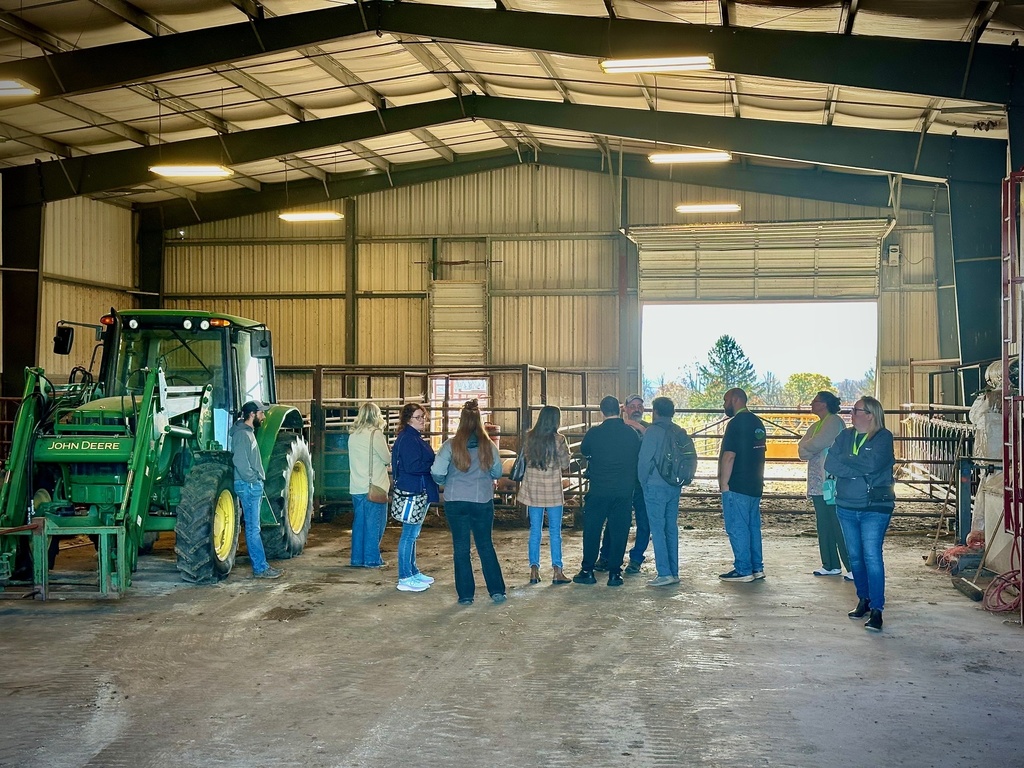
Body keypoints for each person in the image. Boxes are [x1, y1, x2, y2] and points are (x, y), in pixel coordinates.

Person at [824, 396, 896, 632]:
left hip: (874, 506)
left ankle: (877, 609)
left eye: (856, 410)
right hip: (846, 506)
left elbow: (872, 464)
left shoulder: (883, 438)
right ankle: (863, 599)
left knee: (872, 556)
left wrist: (848, 461)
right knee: (855, 557)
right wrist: (855, 464)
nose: (851, 414)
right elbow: (830, 464)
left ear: (870, 414)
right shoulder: (845, 436)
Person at [431, 400, 507, 605]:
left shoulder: (450, 445)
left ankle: (466, 595)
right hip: (481, 499)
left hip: (455, 499)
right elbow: (498, 472)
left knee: (461, 547)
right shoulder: (488, 445)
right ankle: (497, 591)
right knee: (485, 544)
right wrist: (487, 475)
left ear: (461, 421)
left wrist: (445, 481)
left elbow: (437, 471)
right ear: (479, 420)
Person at [573, 395, 642, 587]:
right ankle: (615, 573)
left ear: (601, 411)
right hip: (623, 490)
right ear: (620, 410)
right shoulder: (630, 434)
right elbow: (637, 455)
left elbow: (585, 451)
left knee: (593, 530)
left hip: (599, 489)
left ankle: (587, 570)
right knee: (619, 530)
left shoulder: (594, 433)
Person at [797, 391, 851, 579]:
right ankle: (830, 563)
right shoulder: (815, 425)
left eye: (815, 401)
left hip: (831, 482)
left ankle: (851, 566)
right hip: (817, 483)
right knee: (824, 523)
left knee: (837, 522)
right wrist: (809, 446)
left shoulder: (833, 421)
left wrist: (809, 446)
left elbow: (816, 444)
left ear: (824, 404)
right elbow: (802, 450)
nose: (812, 403)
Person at [516, 404, 572, 586]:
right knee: (555, 531)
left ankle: (534, 569)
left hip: (533, 490)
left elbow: (526, 458)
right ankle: (557, 570)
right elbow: (565, 464)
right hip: (553, 491)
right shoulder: (559, 439)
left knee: (535, 530)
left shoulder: (529, 437)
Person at [596, 393, 651, 575]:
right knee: (615, 521)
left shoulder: (648, 429)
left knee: (644, 522)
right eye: (633, 406)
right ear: (624, 409)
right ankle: (606, 556)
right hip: (623, 482)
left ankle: (636, 559)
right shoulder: (616, 428)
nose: (636, 409)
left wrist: (636, 425)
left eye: (639, 406)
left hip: (643, 482)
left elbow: (652, 444)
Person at [718, 388, 766, 583]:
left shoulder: (735, 424)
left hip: (737, 484)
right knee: (752, 527)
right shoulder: (758, 422)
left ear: (736, 399)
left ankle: (743, 569)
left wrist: (724, 484)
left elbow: (729, 455)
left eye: (725, 399)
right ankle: (757, 567)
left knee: (737, 527)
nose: (724, 404)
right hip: (755, 483)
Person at [229, 400, 282, 579]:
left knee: (253, 528)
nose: (264, 416)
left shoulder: (246, 433)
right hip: (249, 485)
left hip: (249, 484)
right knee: (253, 529)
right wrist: (254, 480)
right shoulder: (243, 435)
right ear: (252, 414)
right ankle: (260, 568)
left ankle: (262, 566)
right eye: (261, 413)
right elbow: (240, 462)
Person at [391, 403, 439, 593]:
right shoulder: (409, 439)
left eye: (423, 417)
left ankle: (412, 570)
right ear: (408, 419)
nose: (422, 421)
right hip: (413, 491)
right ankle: (404, 577)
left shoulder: (412, 437)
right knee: (408, 535)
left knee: (412, 534)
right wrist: (433, 465)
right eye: (418, 417)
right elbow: (412, 466)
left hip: (417, 490)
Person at [637, 396, 682, 587]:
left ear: (654, 412)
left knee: (657, 529)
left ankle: (664, 573)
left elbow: (644, 461)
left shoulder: (652, 432)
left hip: (655, 486)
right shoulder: (678, 431)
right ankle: (674, 570)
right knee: (671, 528)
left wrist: (643, 482)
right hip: (674, 485)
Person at [347, 402, 392, 569]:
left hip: (356, 486)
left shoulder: (353, 435)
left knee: (359, 524)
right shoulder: (376, 434)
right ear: (376, 415)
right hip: (374, 486)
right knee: (375, 524)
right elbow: (387, 459)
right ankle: (372, 559)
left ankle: (357, 559)